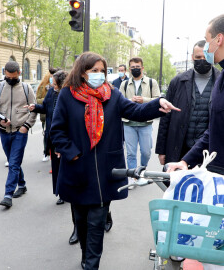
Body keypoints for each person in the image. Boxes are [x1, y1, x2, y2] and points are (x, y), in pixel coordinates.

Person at [49, 51, 179, 270]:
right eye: (94, 71)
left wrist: (158, 104)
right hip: (78, 169)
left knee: (97, 222)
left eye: (102, 71)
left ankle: (91, 264)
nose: (99, 75)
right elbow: (57, 131)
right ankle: (85, 255)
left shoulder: (113, 94)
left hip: (104, 172)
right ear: (82, 73)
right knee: (81, 222)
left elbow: (136, 111)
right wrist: (74, 153)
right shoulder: (67, 95)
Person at [168, 14, 224, 174]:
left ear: (218, 39)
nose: (206, 47)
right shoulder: (221, 78)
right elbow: (213, 130)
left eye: (207, 40)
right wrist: (186, 160)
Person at [156, 40, 220, 167]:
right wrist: (161, 150)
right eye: (198, 57)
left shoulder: (220, 81)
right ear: (192, 57)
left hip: (210, 152)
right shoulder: (178, 82)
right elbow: (165, 117)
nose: (202, 60)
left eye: (205, 56)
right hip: (180, 148)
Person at [0, 61, 37, 208]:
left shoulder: (26, 88)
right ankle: (22, 184)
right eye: (8, 76)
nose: (10, 79)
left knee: (13, 163)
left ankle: (8, 194)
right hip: (4, 131)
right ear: (4, 73)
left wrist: (26, 126)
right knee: (12, 160)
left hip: (20, 131)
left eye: (13, 77)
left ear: (19, 74)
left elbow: (34, 109)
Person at [26, 70, 68, 204]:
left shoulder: (68, 95)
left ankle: (68, 192)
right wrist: (35, 107)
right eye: (52, 83)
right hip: (52, 134)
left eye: (55, 84)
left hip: (66, 136)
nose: (53, 86)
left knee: (65, 166)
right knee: (56, 166)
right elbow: (45, 107)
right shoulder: (50, 92)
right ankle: (60, 192)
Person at [119, 57, 160, 188]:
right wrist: (130, 101)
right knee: (130, 153)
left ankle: (141, 171)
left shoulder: (152, 83)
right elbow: (119, 102)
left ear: (142, 68)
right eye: (133, 67)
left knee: (146, 151)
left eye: (138, 66)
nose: (135, 69)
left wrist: (144, 100)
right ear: (129, 69)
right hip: (129, 123)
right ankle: (132, 177)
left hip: (145, 122)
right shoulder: (124, 84)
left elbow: (158, 99)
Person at [36, 67, 59, 162]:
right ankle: (47, 152)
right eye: (51, 76)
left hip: (56, 120)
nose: (51, 78)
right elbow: (39, 101)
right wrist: (35, 107)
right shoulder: (46, 89)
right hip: (46, 118)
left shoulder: (63, 91)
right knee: (47, 136)